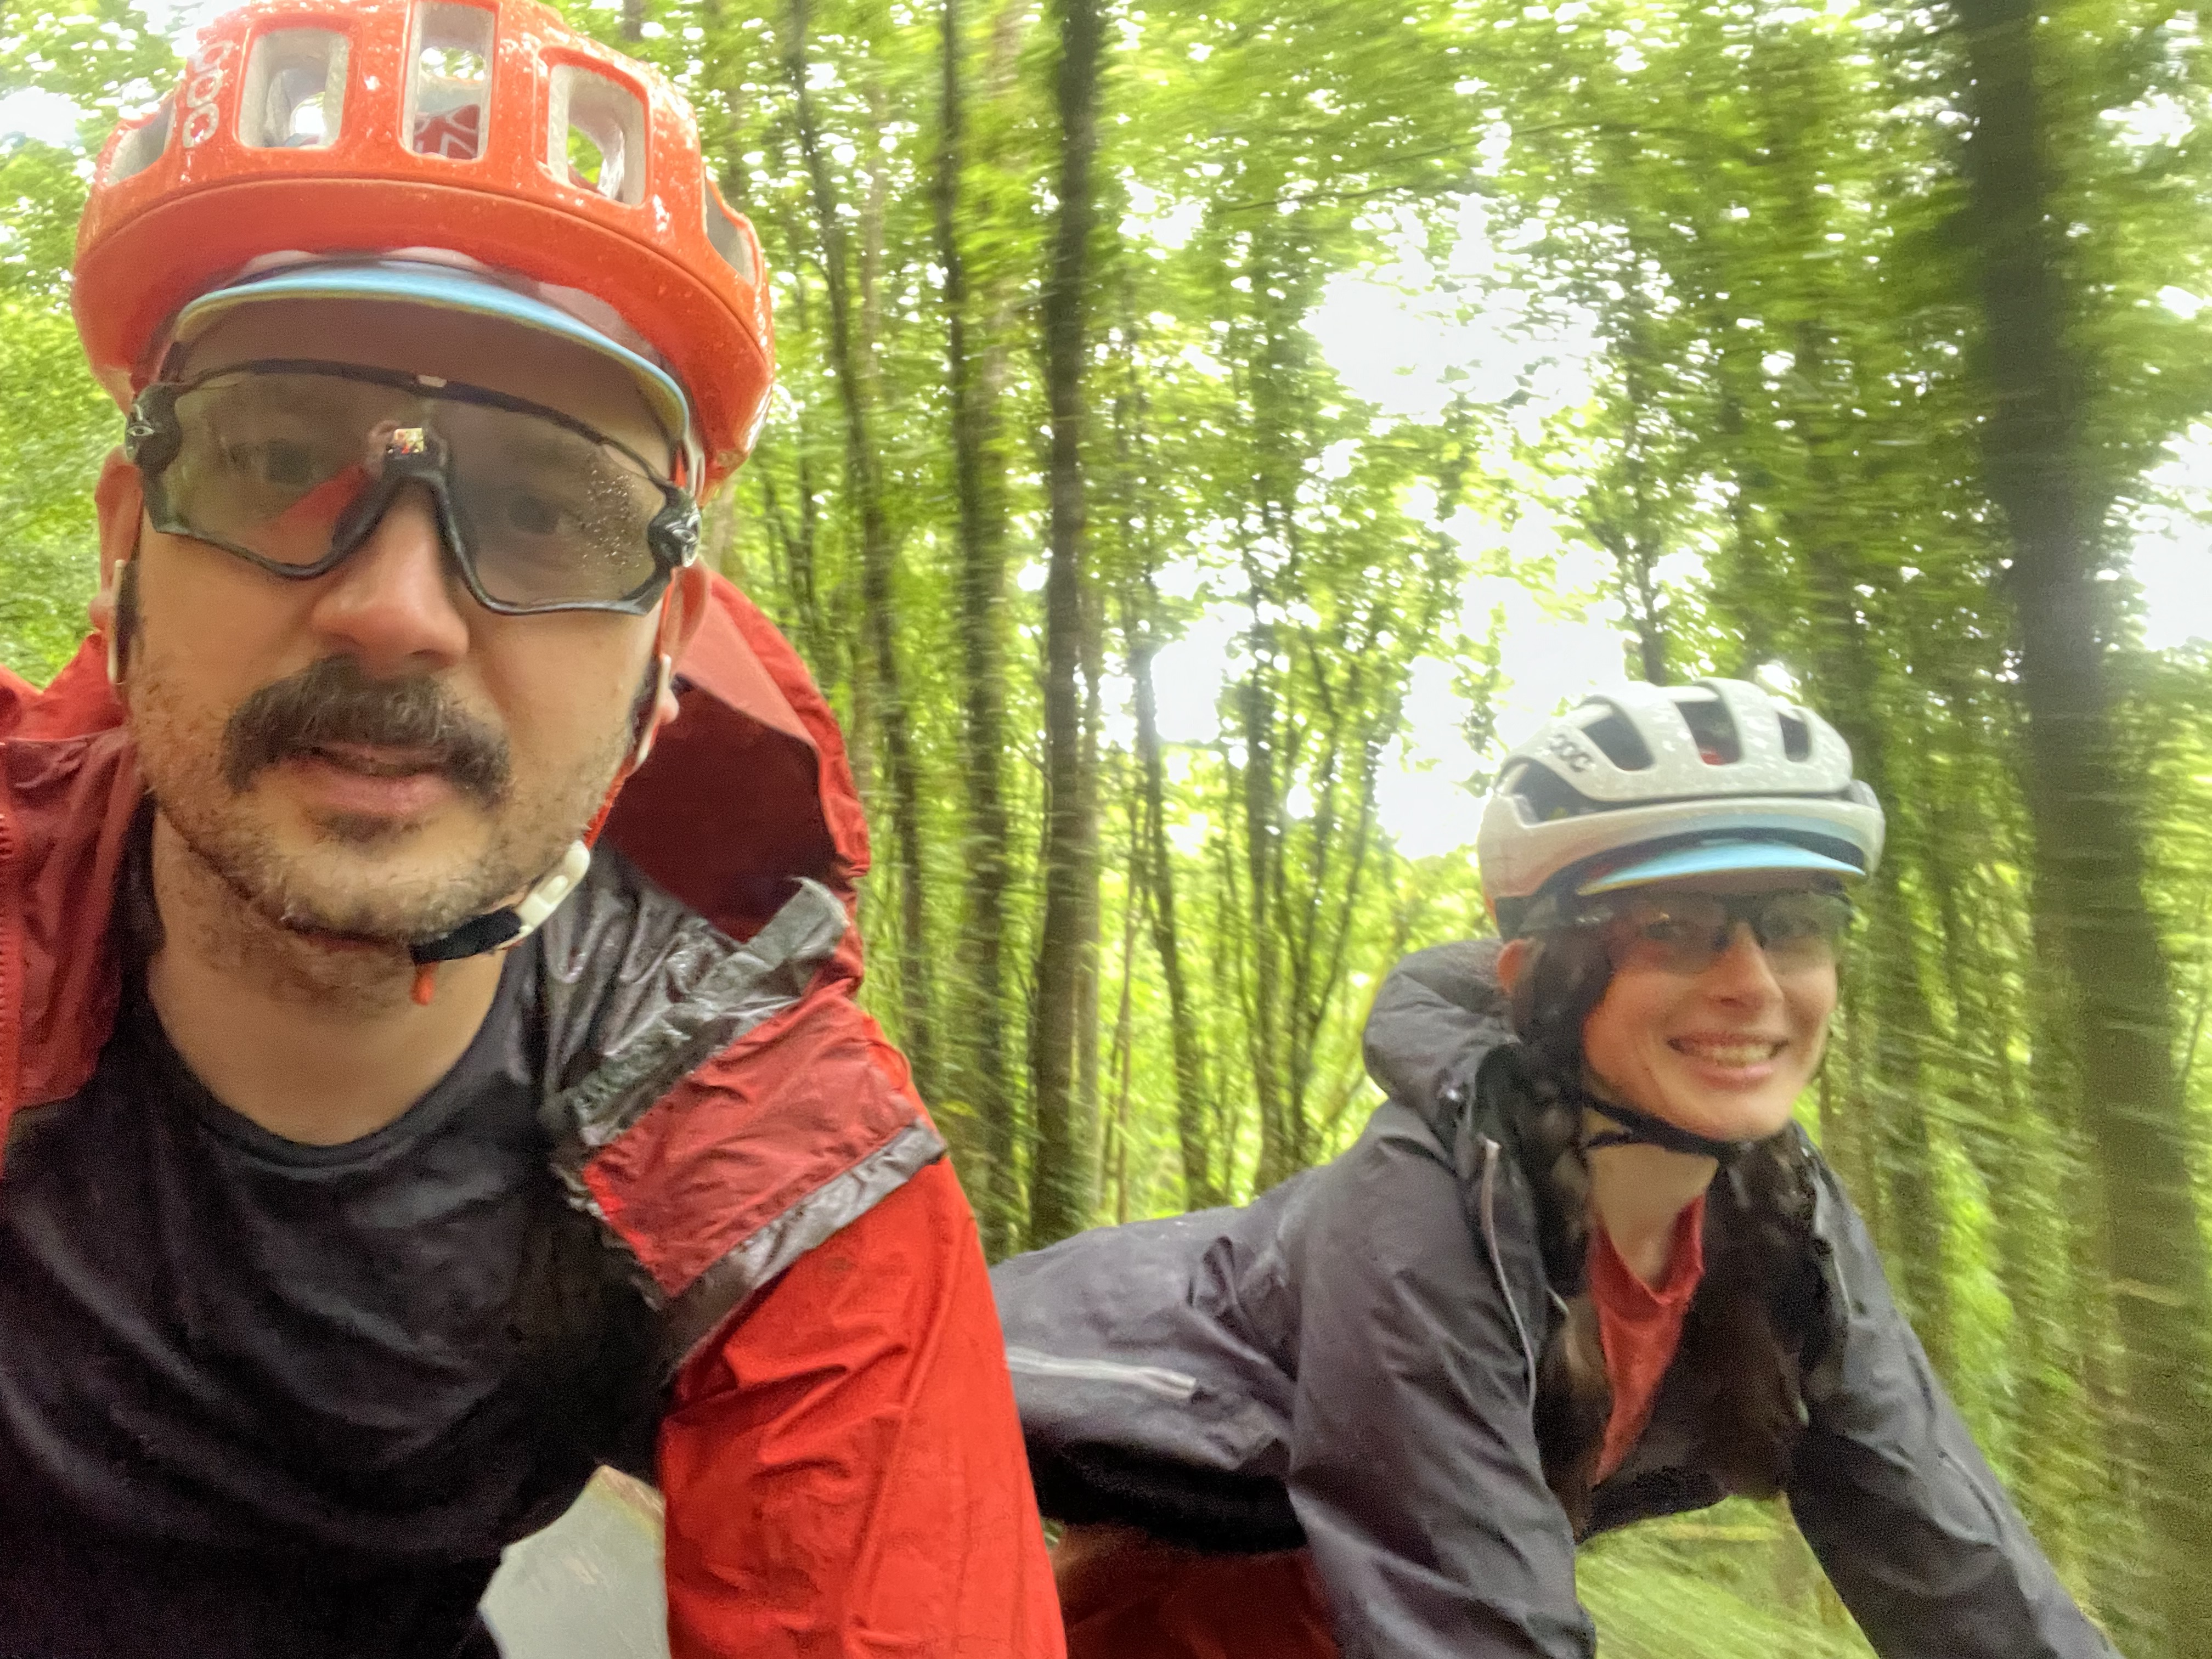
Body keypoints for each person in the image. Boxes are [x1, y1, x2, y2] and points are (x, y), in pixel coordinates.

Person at [0, 3, 1062, 1654]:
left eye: (550, 508)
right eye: (276, 456)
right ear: (128, 541)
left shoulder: (776, 1160)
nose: (395, 609)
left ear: (663, 656)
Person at [991, 678, 2117, 1659]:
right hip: (1153, 1572)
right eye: (1671, 926)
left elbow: (1951, 1560)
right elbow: (1474, 1622)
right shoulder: (1424, 1212)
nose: (1753, 983)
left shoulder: (1783, 1217)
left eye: (1793, 923)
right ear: (1539, 979)